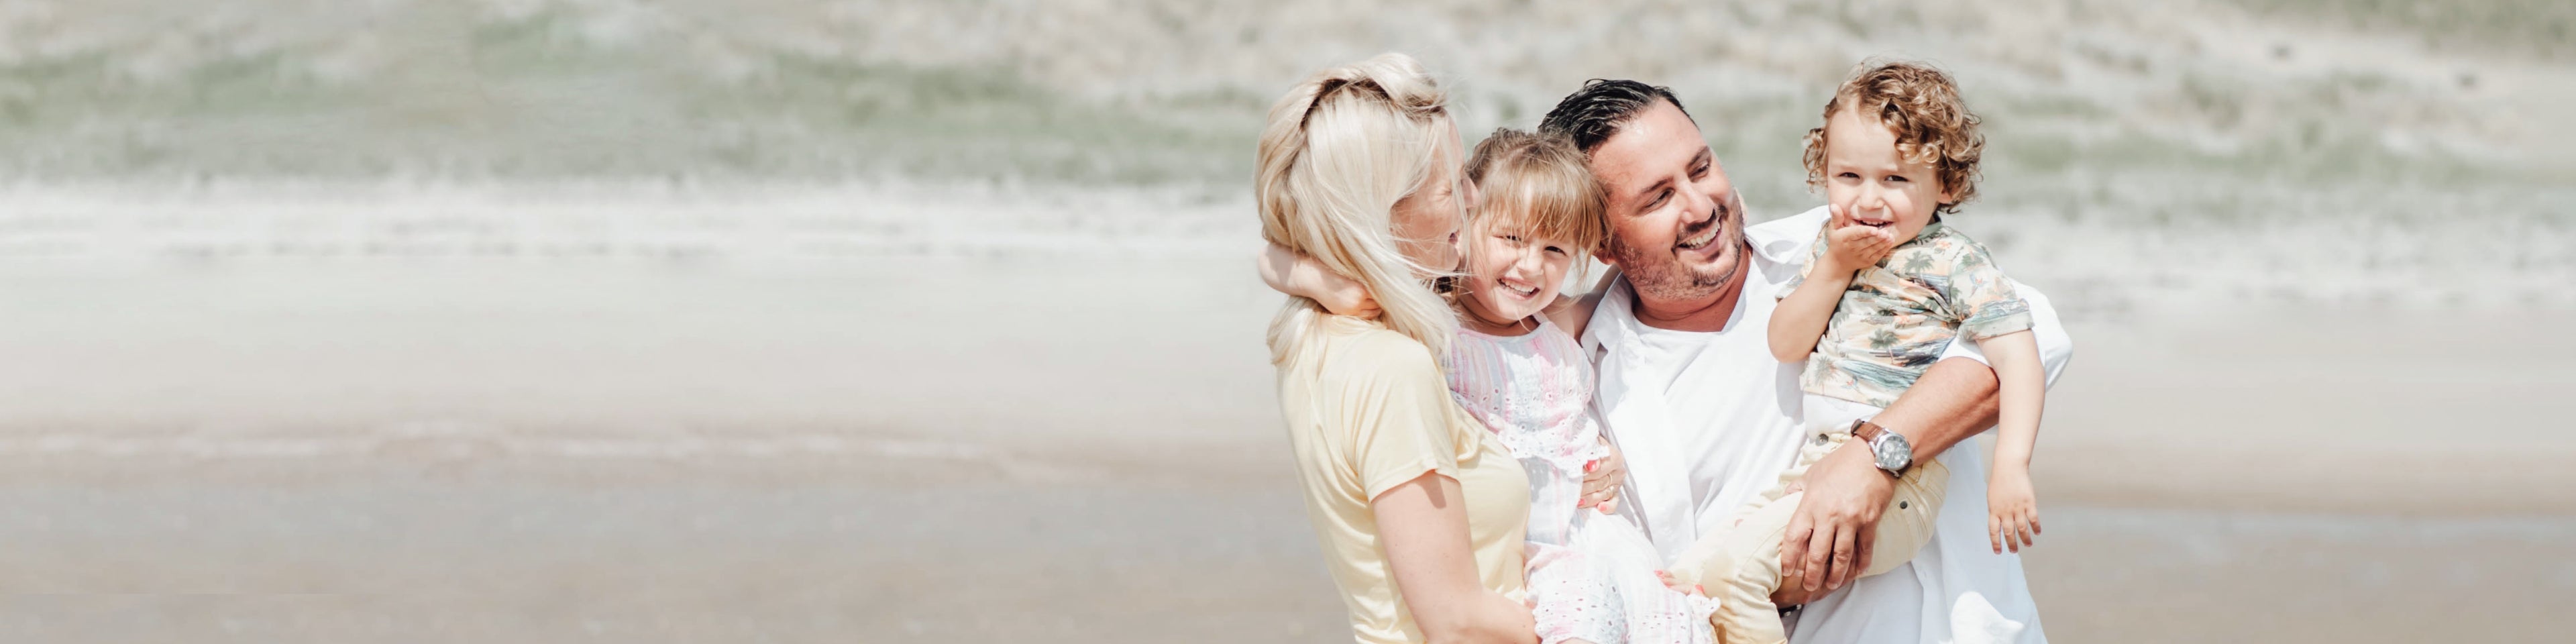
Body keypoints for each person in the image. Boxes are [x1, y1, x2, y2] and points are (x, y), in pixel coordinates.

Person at [1542, 78, 2072, 643]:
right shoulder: (1583, 384)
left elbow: (2032, 332)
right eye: (1658, 198)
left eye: (1700, 169)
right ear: (1598, 239)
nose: (1700, 207)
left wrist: (1875, 453)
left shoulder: (1840, 247)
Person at [1271, 129, 1712, 643]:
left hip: (1596, 537)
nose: (1531, 266)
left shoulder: (1555, 324)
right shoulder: (1432, 321)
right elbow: (1273, 256)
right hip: (1521, 553)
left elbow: (1637, 284)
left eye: (1555, 249)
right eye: (1511, 238)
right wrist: (1314, 280)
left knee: (1669, 622)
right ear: (1463, 224)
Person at [1253, 52, 1537, 644]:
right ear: (1384, 213)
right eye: (1450, 184)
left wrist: (1318, 276)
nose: (1475, 197)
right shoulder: (1394, 370)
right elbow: (1456, 623)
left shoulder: (1314, 332)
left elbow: (1273, 253)